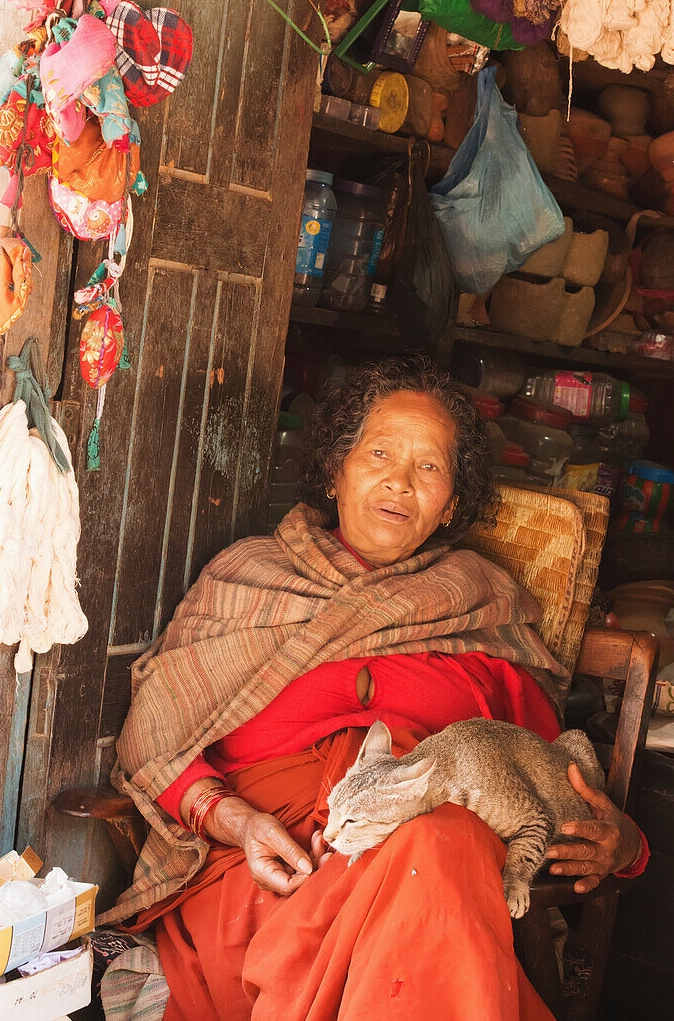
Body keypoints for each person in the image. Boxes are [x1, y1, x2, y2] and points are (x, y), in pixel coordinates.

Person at [101, 357, 646, 1021]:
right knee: (442, 853)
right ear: (336, 470)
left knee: (442, 841)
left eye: (429, 468)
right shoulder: (248, 580)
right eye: (379, 453)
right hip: (274, 873)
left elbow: (539, 777)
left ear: (451, 502)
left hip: (441, 876)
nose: (399, 482)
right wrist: (239, 823)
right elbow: (152, 738)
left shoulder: (485, 601)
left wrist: (625, 844)